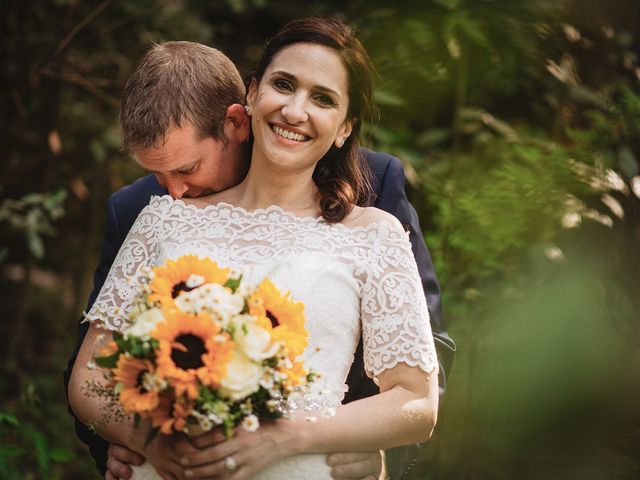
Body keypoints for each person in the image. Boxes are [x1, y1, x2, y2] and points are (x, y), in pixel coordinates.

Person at [65, 19, 454, 480]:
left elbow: (416, 397)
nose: (294, 109)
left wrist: (310, 437)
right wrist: (138, 436)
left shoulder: (374, 228)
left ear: (346, 126)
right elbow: (90, 376)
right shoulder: (159, 216)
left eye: (323, 98)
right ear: (251, 96)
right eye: (283, 84)